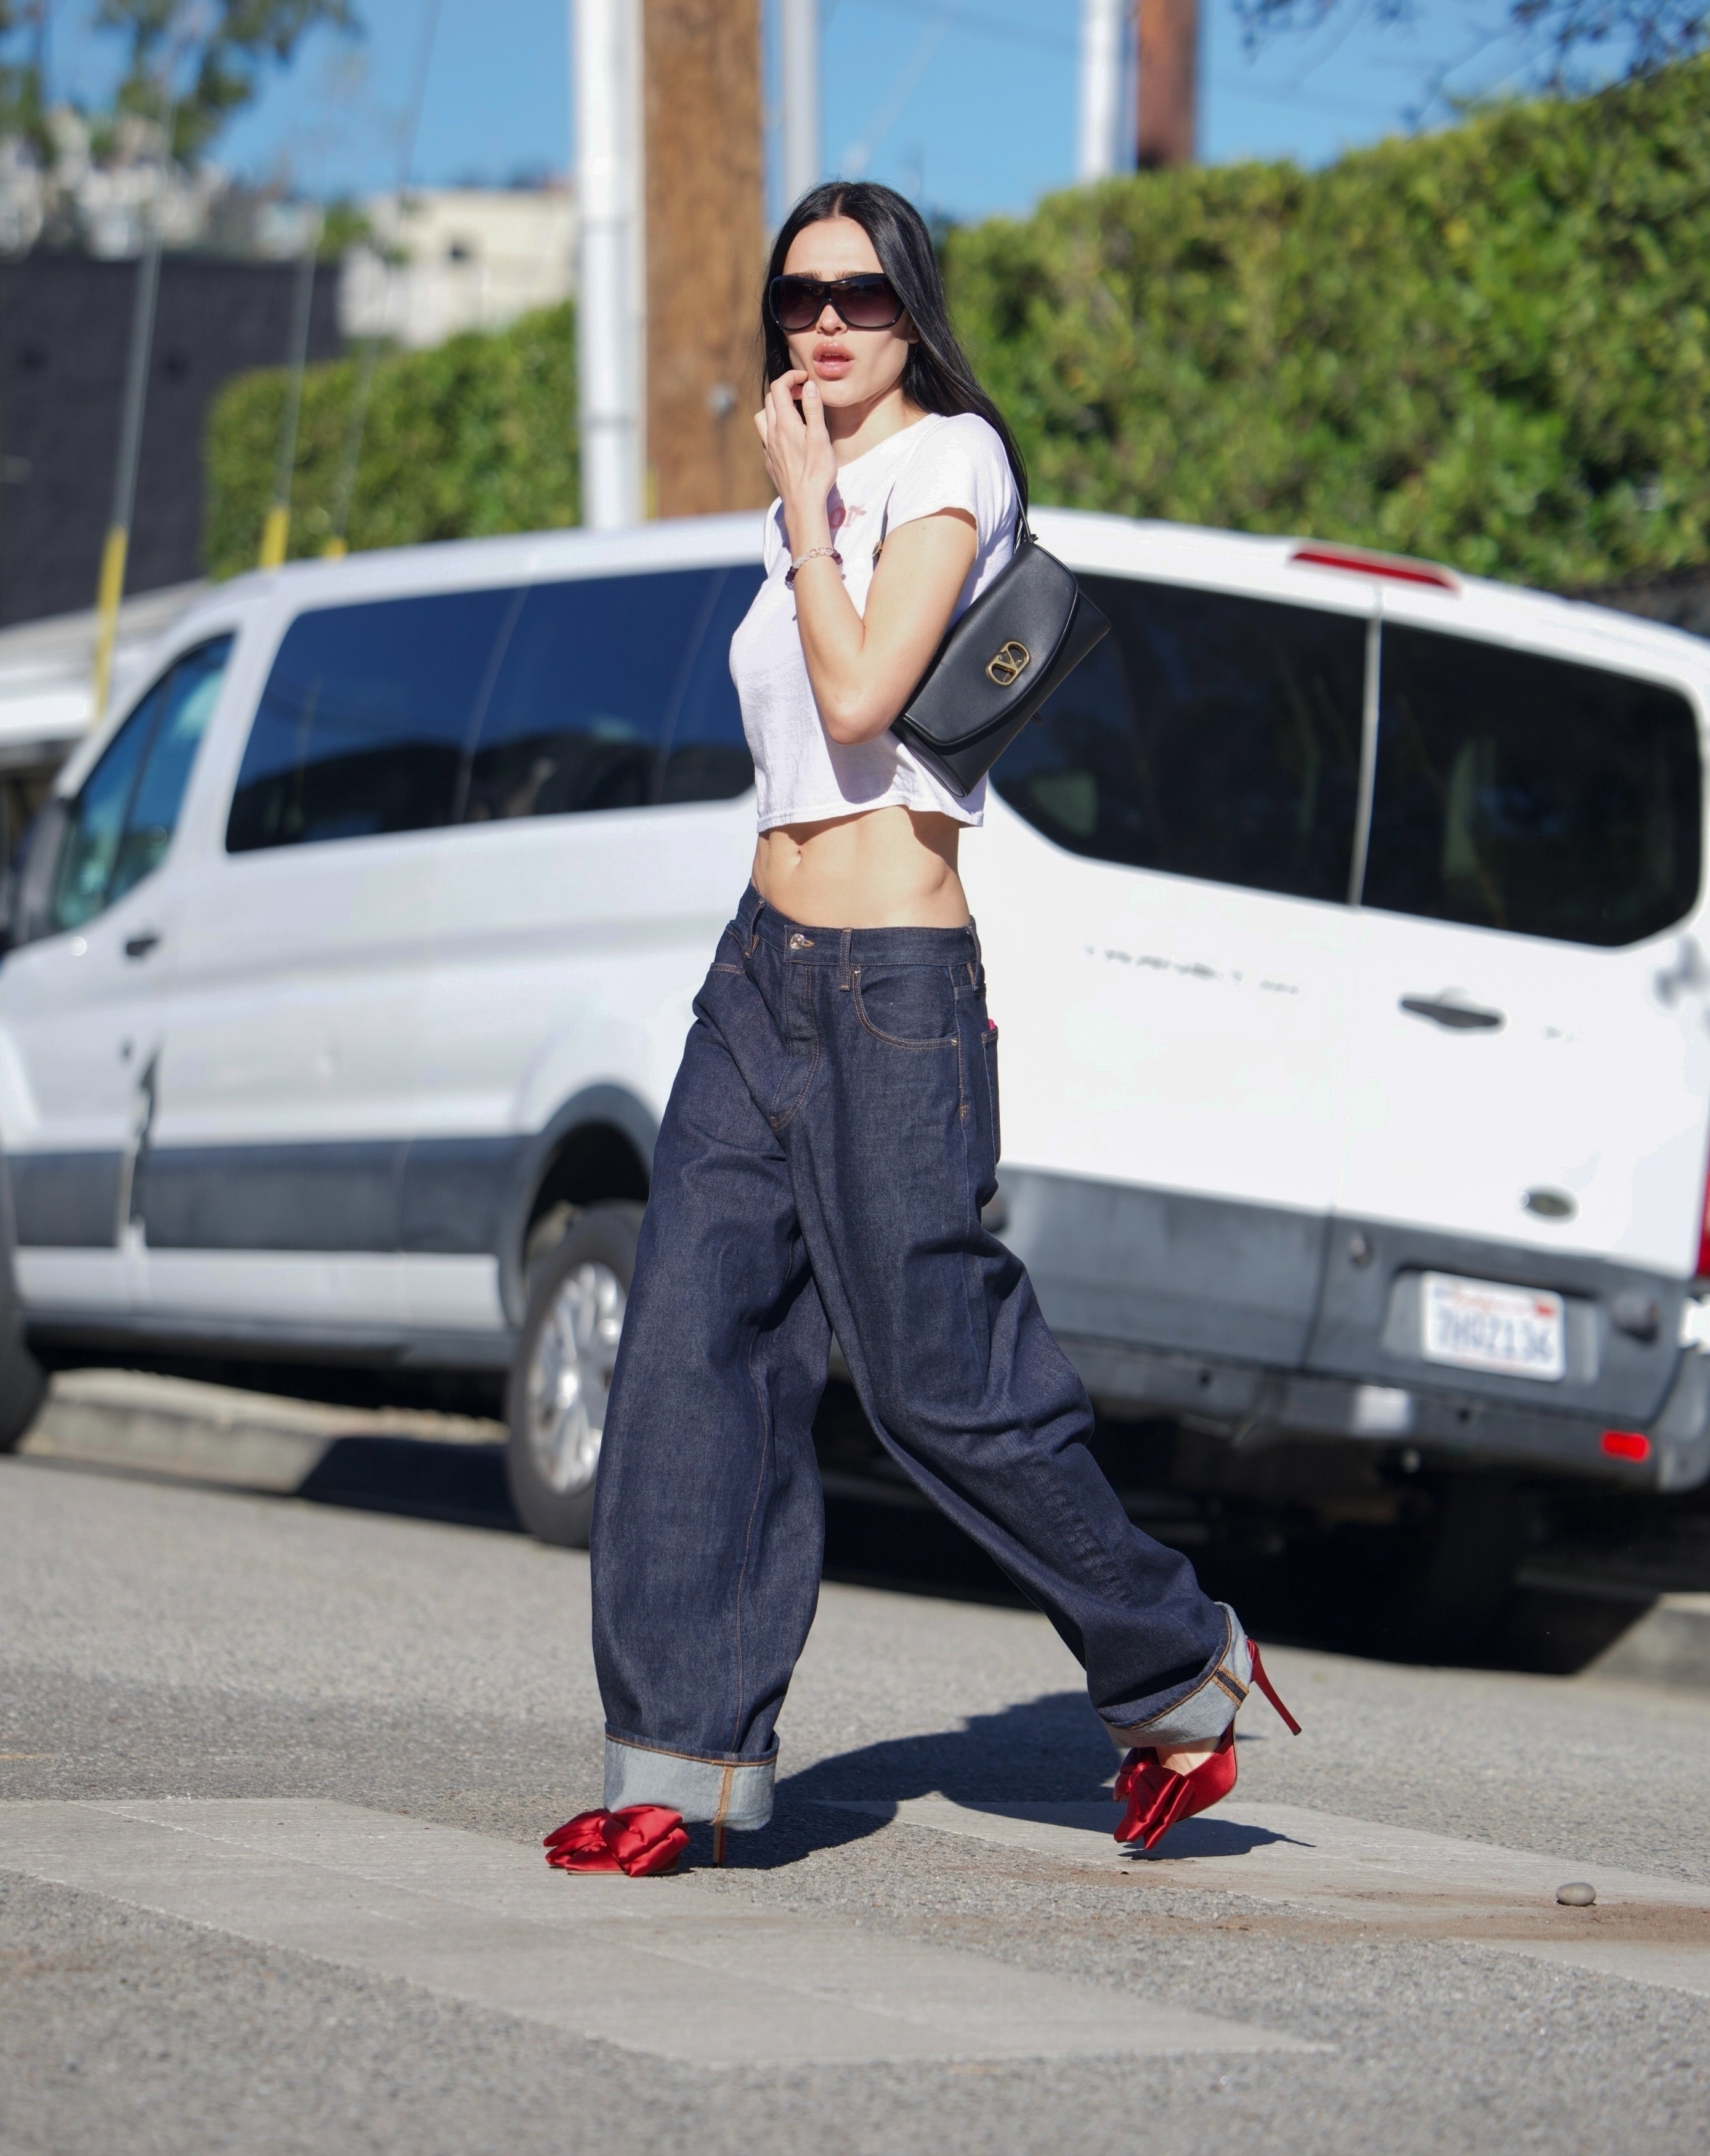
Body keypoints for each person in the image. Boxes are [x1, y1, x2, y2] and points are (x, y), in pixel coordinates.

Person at [549, 182, 1294, 1882]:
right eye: (798, 295)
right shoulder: (806, 491)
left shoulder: (947, 462)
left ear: (913, 309)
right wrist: (799, 507)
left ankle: (1177, 1660)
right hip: (758, 970)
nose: (827, 322)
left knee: (934, 1378)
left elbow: (864, 697)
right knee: (688, 1348)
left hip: (892, 987)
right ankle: (677, 1764)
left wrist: (809, 508)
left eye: (864, 295)